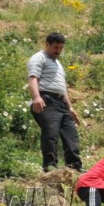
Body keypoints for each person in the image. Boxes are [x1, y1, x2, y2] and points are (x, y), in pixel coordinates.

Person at [27, 32, 82, 172]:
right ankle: (49, 165)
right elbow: (33, 78)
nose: (58, 51)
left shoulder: (58, 63)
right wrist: (36, 97)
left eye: (61, 48)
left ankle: (74, 166)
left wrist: (70, 108)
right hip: (46, 100)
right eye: (55, 47)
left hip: (61, 102)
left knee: (71, 134)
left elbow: (62, 89)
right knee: (51, 133)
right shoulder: (38, 58)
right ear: (47, 44)